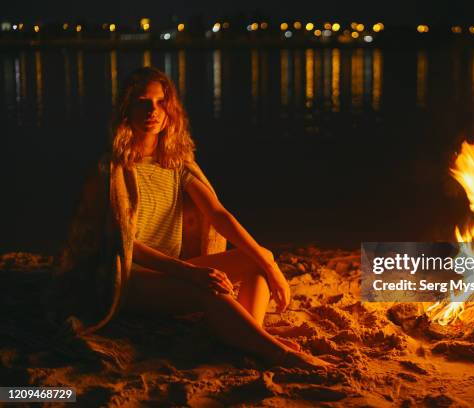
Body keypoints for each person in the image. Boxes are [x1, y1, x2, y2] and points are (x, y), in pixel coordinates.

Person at [53, 67, 327, 370]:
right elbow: (125, 242)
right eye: (143, 102)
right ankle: (278, 354)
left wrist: (269, 265)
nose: (152, 111)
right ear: (126, 110)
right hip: (132, 279)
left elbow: (218, 214)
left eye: (160, 103)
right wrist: (189, 273)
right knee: (211, 289)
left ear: (170, 111)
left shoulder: (177, 161)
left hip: (176, 271)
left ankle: (251, 335)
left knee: (257, 259)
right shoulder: (113, 169)